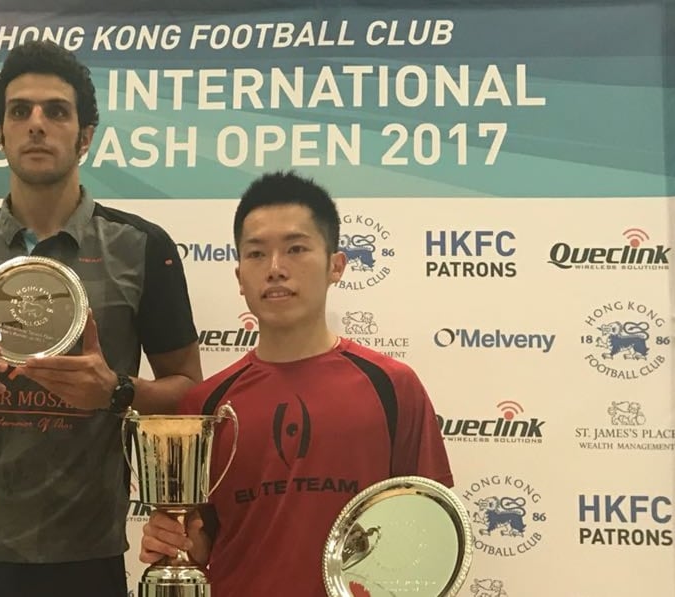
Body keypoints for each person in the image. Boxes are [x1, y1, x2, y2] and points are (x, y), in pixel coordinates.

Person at [0, 40, 203, 597]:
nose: (36, 124)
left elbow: (190, 393)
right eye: (19, 110)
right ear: (0, 133)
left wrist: (115, 391)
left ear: (84, 136)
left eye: (56, 111)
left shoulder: (143, 247)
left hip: (81, 551)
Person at [138, 171, 453, 597]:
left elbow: (430, 532)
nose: (275, 269)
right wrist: (172, 541)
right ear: (239, 276)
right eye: (256, 254)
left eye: (296, 248)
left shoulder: (393, 388)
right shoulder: (204, 405)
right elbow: (199, 541)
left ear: (335, 266)